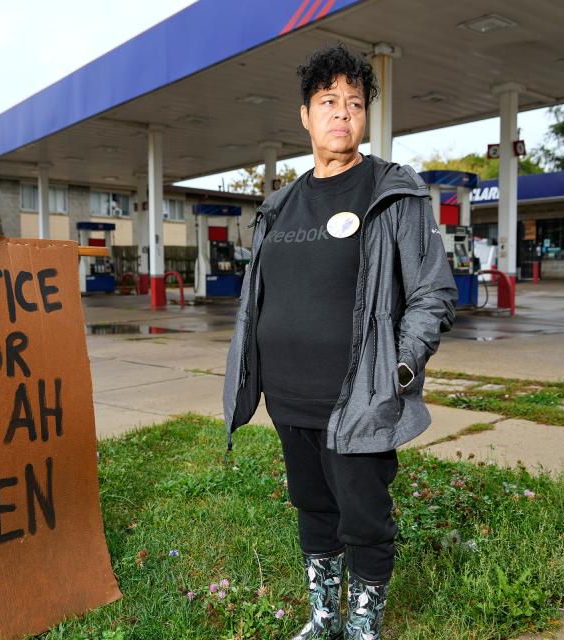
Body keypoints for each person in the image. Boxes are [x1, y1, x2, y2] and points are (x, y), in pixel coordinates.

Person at [223, 44, 458, 639]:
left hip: (359, 396)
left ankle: (363, 623)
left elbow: (434, 293)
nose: (342, 114)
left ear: (365, 118)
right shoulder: (278, 205)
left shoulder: (391, 192)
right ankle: (325, 615)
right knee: (313, 508)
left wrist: (400, 370)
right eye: (328, 102)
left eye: (354, 104)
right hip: (289, 397)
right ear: (305, 114)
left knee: (365, 516)